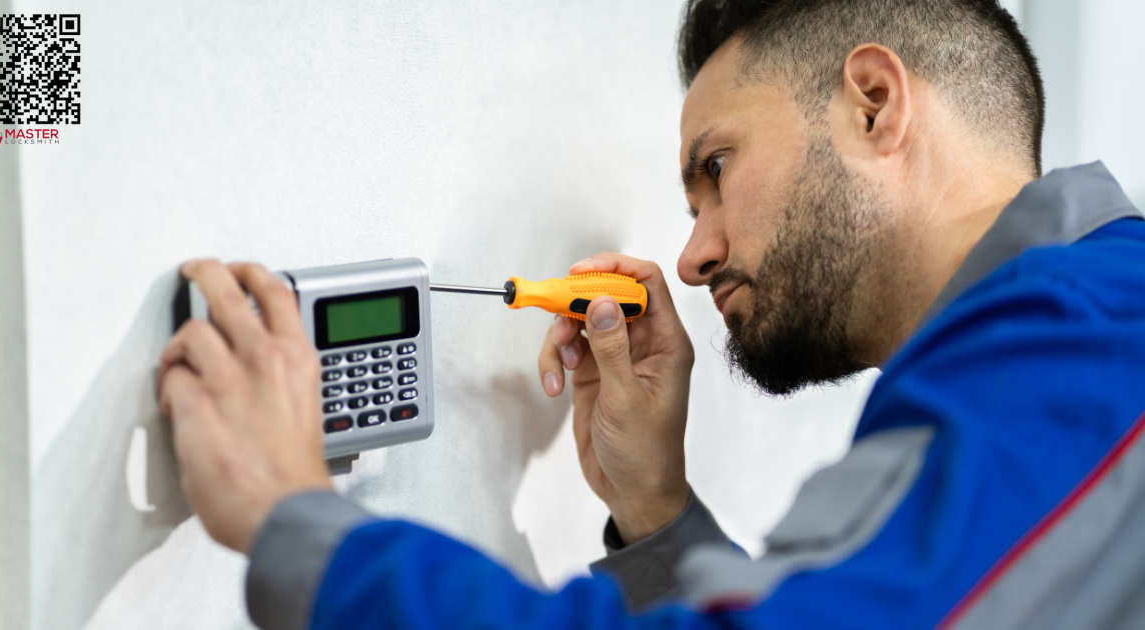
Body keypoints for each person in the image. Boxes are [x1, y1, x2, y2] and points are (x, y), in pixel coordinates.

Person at [157, 0, 1145, 628]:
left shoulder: (1089, 337)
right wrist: (656, 512)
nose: (693, 252)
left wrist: (297, 523)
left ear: (875, 103)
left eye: (716, 171)